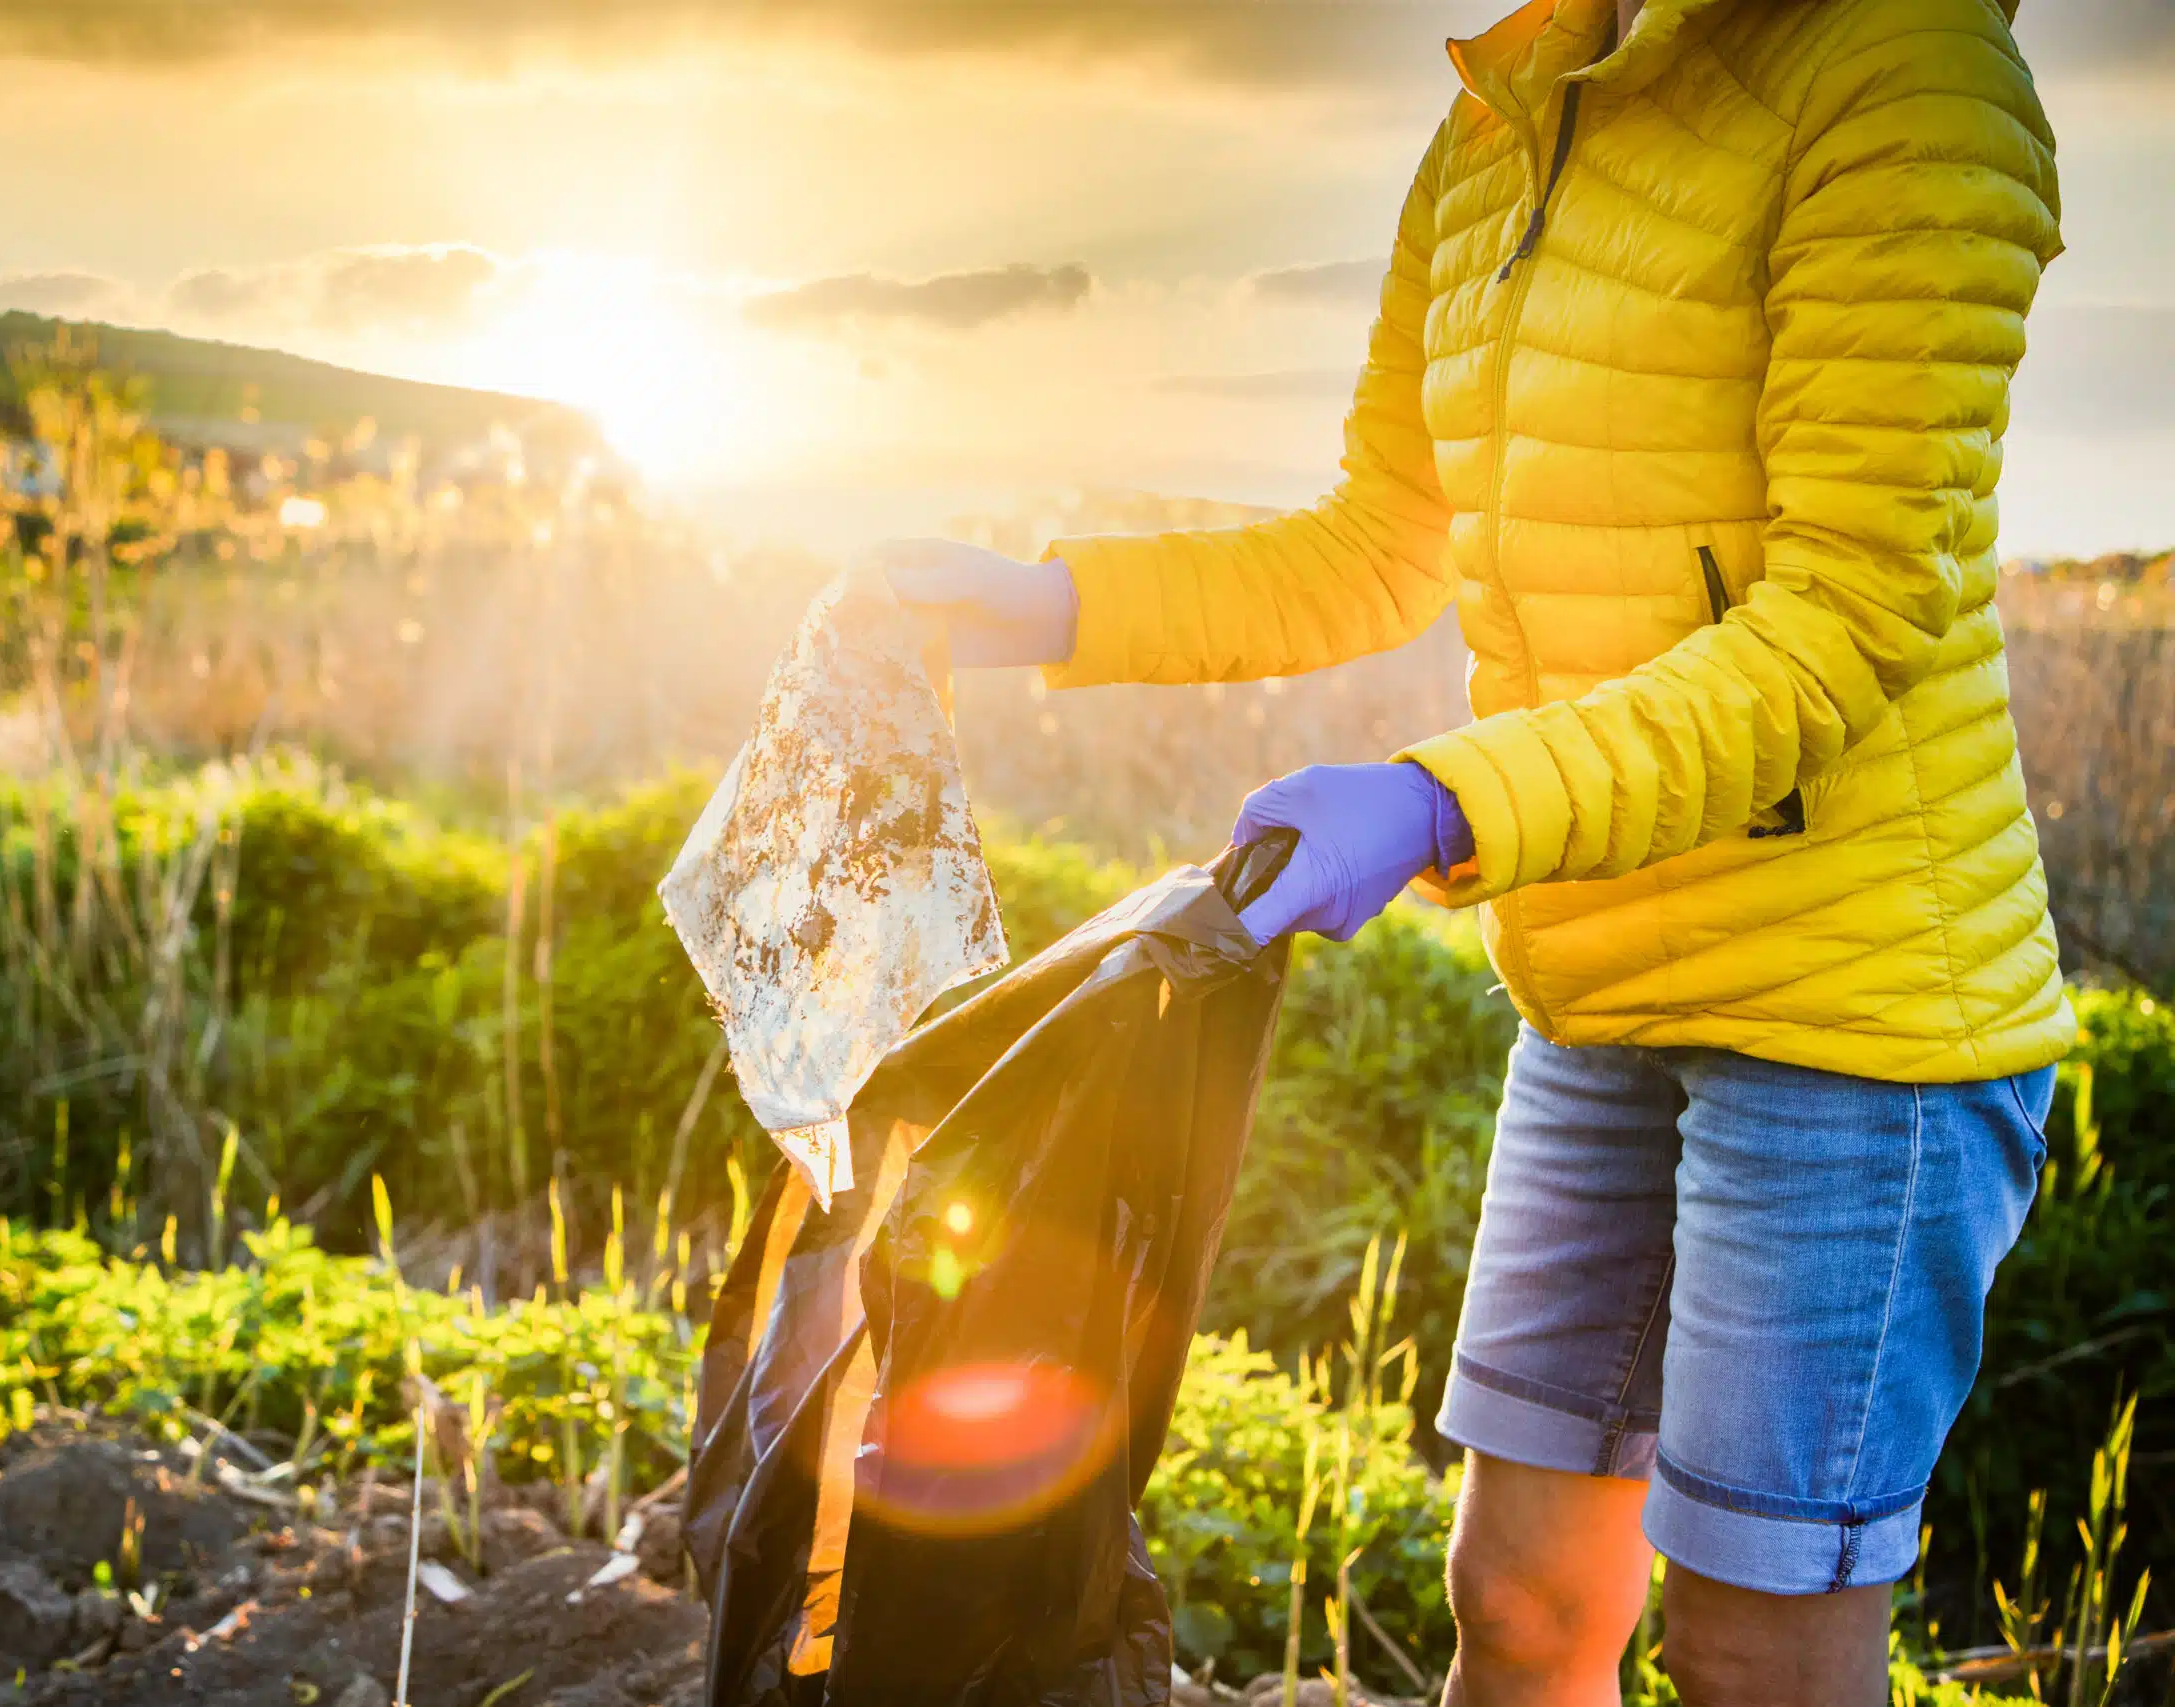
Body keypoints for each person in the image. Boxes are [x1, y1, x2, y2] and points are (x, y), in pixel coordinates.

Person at [875, 0, 2069, 1702]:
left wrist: (1442, 800)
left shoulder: (1911, 74)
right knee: (1515, 1600)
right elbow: (1379, 537)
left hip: (1853, 1017)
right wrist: (1056, 602)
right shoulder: (1510, 110)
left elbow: (1847, 614)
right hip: (1599, 981)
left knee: (1750, 1645)